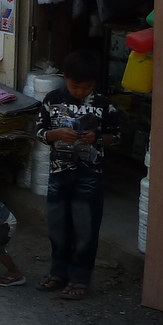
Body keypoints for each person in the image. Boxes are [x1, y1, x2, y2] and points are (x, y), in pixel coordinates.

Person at [35, 50, 120, 300]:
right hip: (59, 174)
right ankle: (58, 273)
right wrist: (57, 134)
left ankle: (80, 278)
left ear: (94, 83)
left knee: (86, 228)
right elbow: (40, 132)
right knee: (58, 227)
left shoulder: (105, 105)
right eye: (75, 86)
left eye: (86, 87)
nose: (80, 91)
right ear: (65, 78)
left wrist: (97, 139)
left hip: (90, 177)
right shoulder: (52, 99)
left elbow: (116, 137)